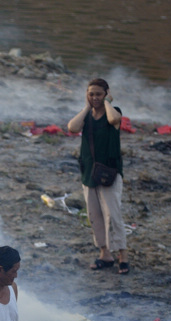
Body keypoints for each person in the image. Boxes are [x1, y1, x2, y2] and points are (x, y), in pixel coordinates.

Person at [67, 78, 129, 274]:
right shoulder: (86, 116)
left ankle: (123, 255)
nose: (95, 98)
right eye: (91, 94)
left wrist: (108, 102)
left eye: (98, 94)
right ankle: (105, 254)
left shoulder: (114, 111)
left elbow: (114, 120)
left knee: (113, 215)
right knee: (95, 215)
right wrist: (86, 108)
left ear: (106, 94)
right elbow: (72, 128)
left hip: (109, 172)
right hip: (89, 173)